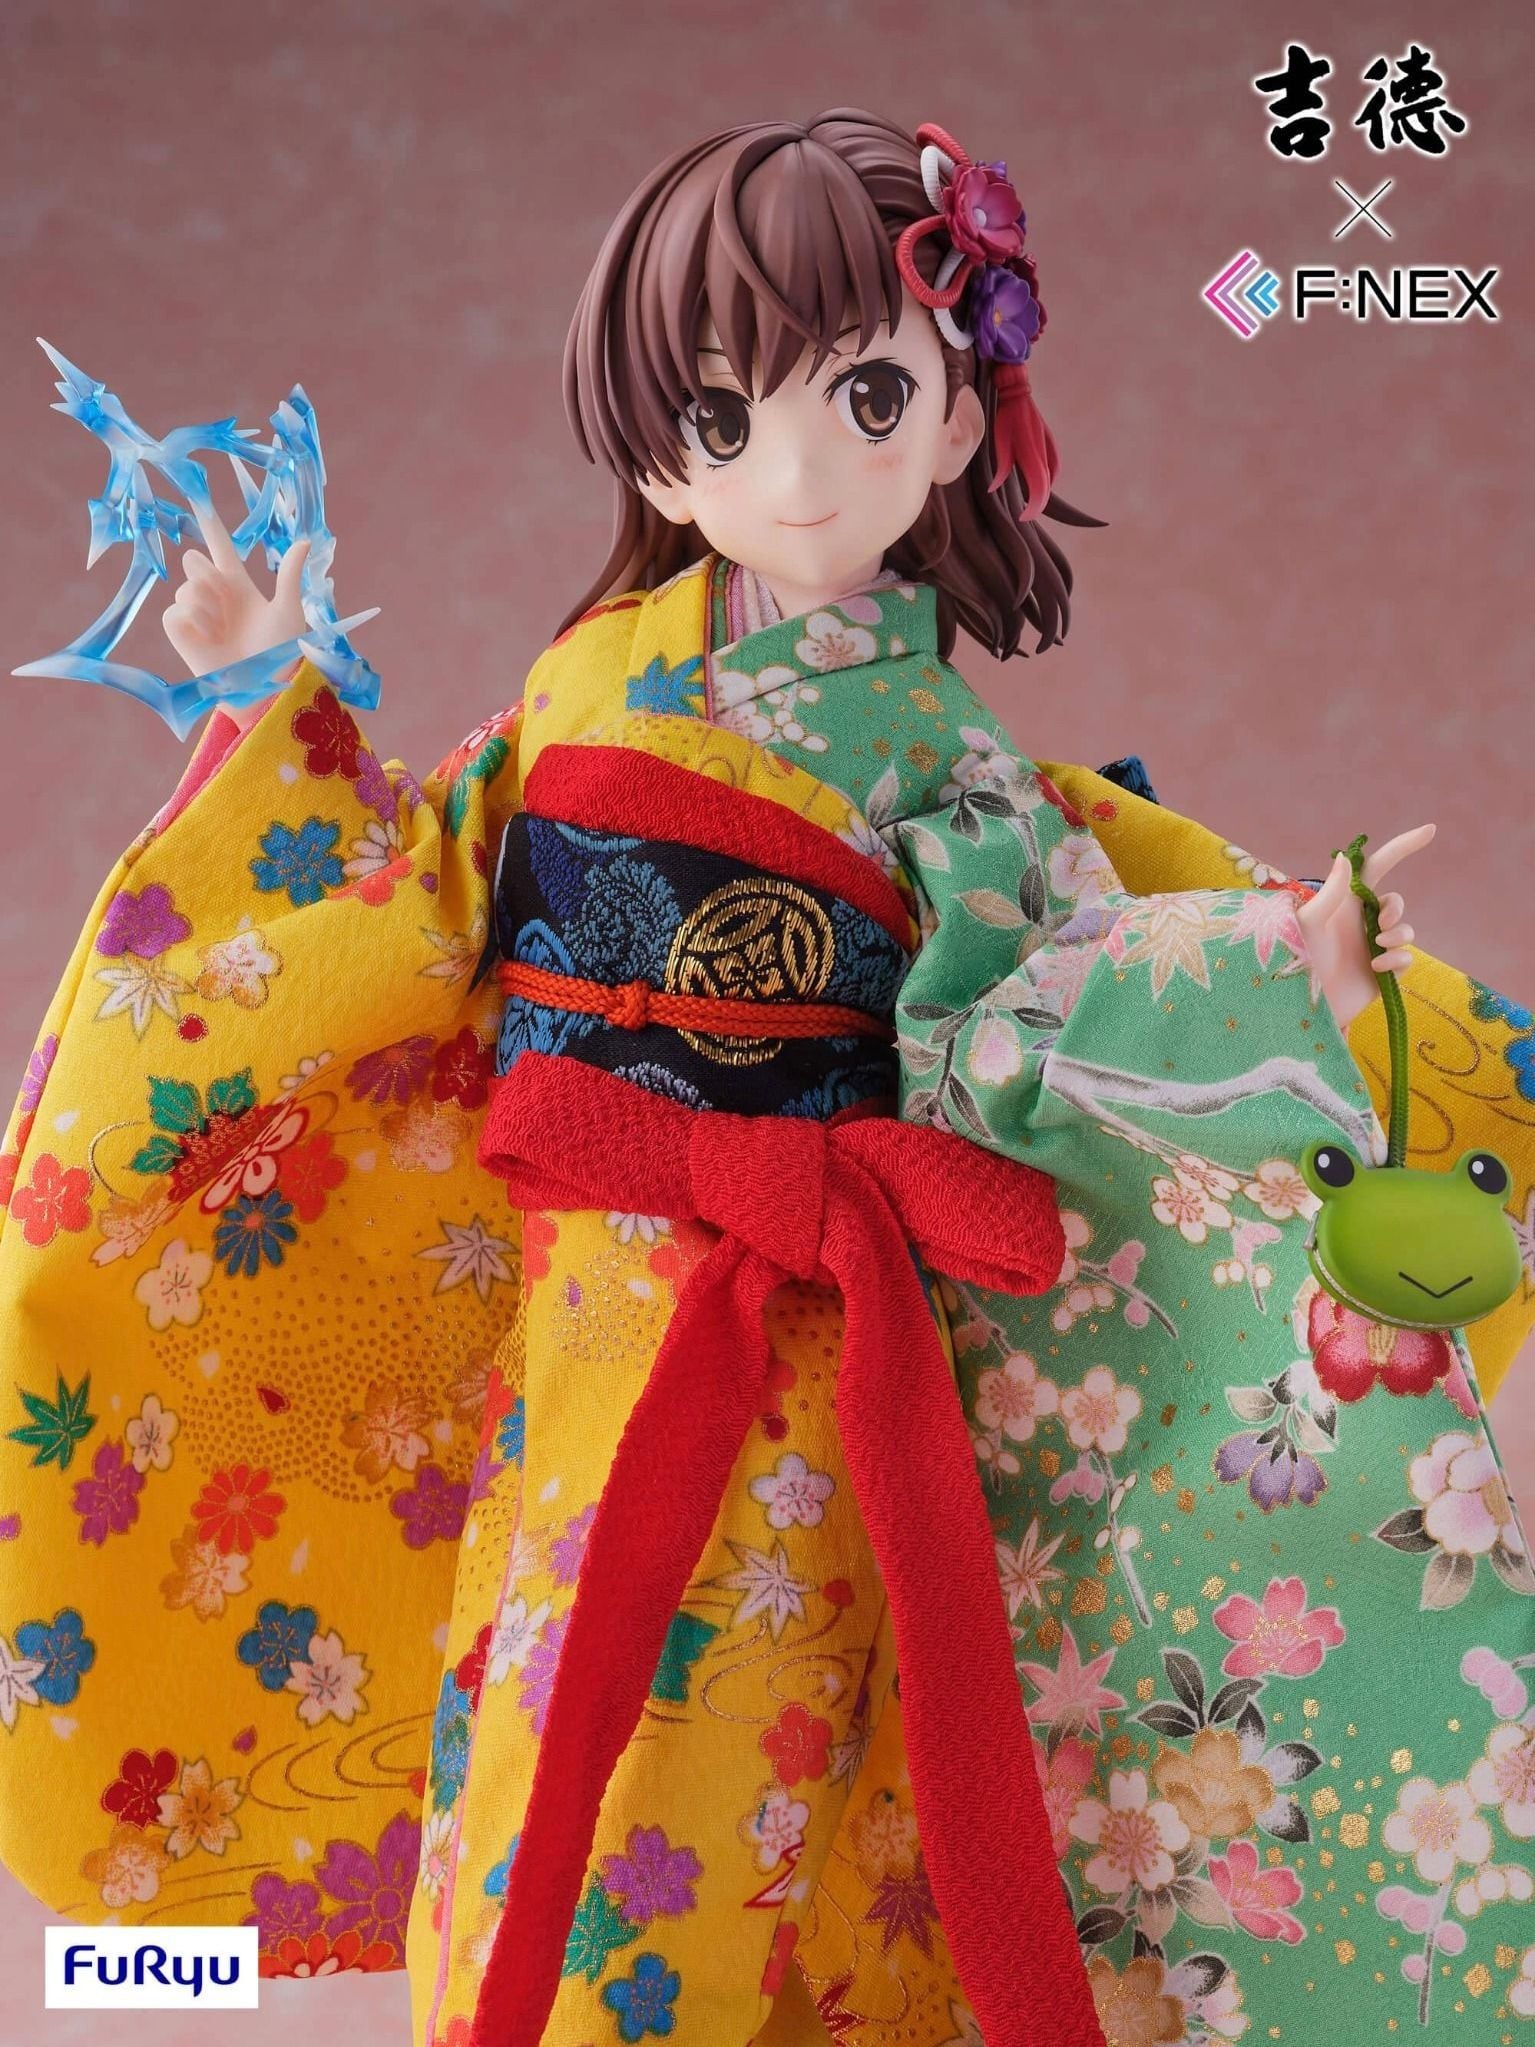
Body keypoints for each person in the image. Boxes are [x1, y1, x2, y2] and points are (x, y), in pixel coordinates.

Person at [1, 109, 1531, 2047]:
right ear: (655, 451)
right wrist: (263, 697)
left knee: (803, 1759)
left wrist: (1270, 962)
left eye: (865, 399)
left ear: (961, 420)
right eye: (723, 422)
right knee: (556, 1728)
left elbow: (1041, 993)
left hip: (833, 1342)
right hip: (593, 1319)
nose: (797, 473)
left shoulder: (954, 766)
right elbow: (391, 907)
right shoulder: (583, 698)